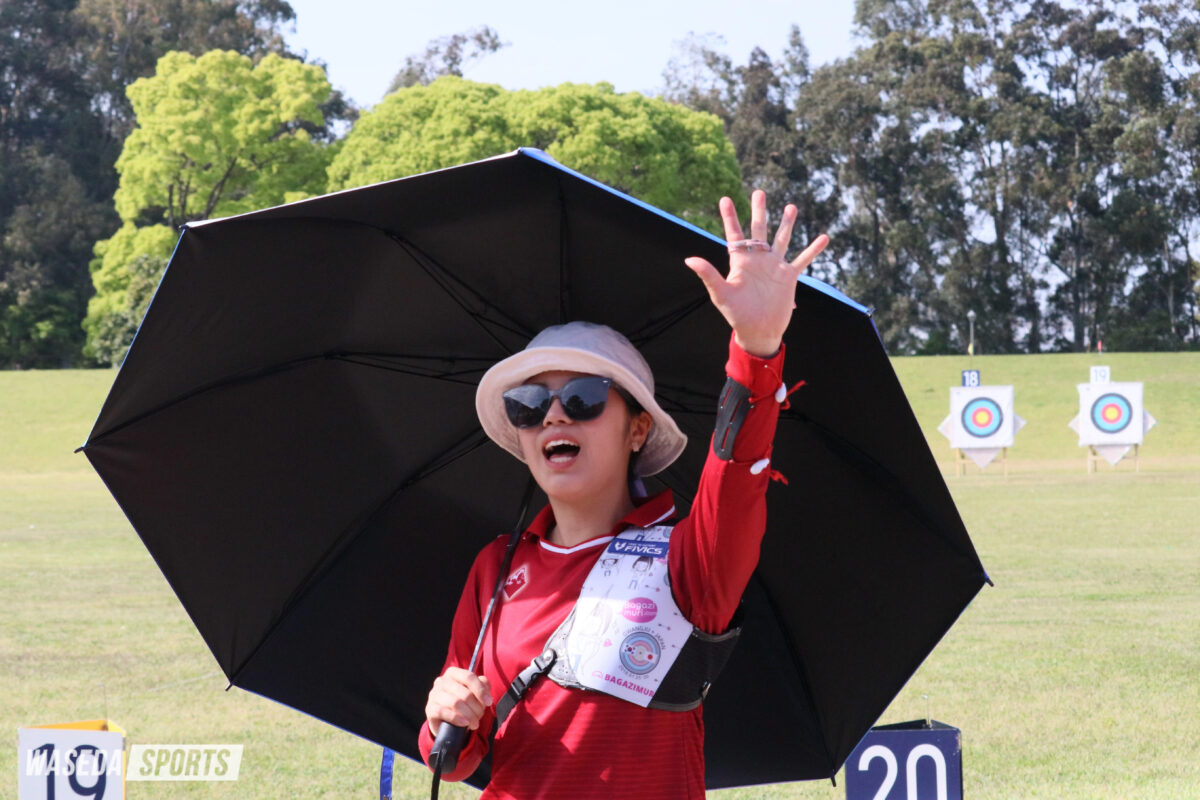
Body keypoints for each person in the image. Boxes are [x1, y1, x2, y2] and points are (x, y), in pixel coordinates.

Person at [418, 190, 829, 799]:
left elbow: (736, 477)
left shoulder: (687, 562)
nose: (554, 416)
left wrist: (756, 348)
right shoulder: (495, 566)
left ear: (638, 429)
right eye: (529, 404)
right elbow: (456, 760)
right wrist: (443, 718)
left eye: (583, 397)